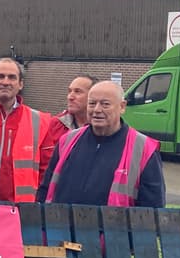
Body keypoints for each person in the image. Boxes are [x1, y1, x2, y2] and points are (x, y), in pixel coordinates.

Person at [37, 80, 166, 207]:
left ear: (122, 107)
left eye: (105, 104)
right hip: (61, 226)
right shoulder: (67, 141)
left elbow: (153, 209)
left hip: (113, 227)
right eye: (92, 103)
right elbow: (45, 188)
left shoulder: (144, 149)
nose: (97, 110)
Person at [0, 57, 57, 203]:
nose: (5, 82)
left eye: (12, 77)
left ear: (20, 84)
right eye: (0, 76)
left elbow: (47, 170)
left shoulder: (40, 121)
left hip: (22, 209)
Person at [45, 74, 96, 145]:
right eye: (69, 91)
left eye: (77, 91)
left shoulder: (103, 128)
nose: (70, 97)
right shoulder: (54, 125)